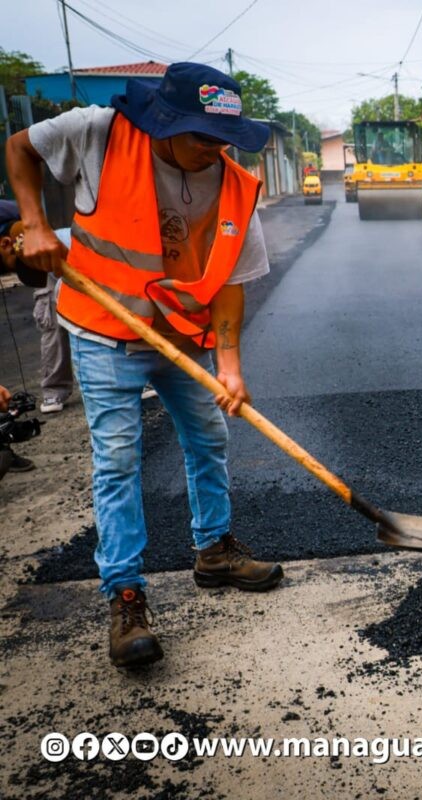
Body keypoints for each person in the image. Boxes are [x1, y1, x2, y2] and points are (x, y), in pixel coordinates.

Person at [6, 62, 284, 669]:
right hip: (105, 331)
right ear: (166, 123)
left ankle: (213, 549)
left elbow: (233, 281)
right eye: (203, 137)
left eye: (225, 138)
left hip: (181, 337)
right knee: (118, 460)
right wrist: (32, 224)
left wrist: (229, 364)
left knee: (209, 438)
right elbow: (19, 147)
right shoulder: (99, 133)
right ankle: (126, 596)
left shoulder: (235, 186)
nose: (217, 150)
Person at [0, 200, 74, 415]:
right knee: (51, 326)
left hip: (53, 253)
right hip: (43, 252)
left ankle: (132, 379)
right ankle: (54, 390)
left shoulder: (16, 215)